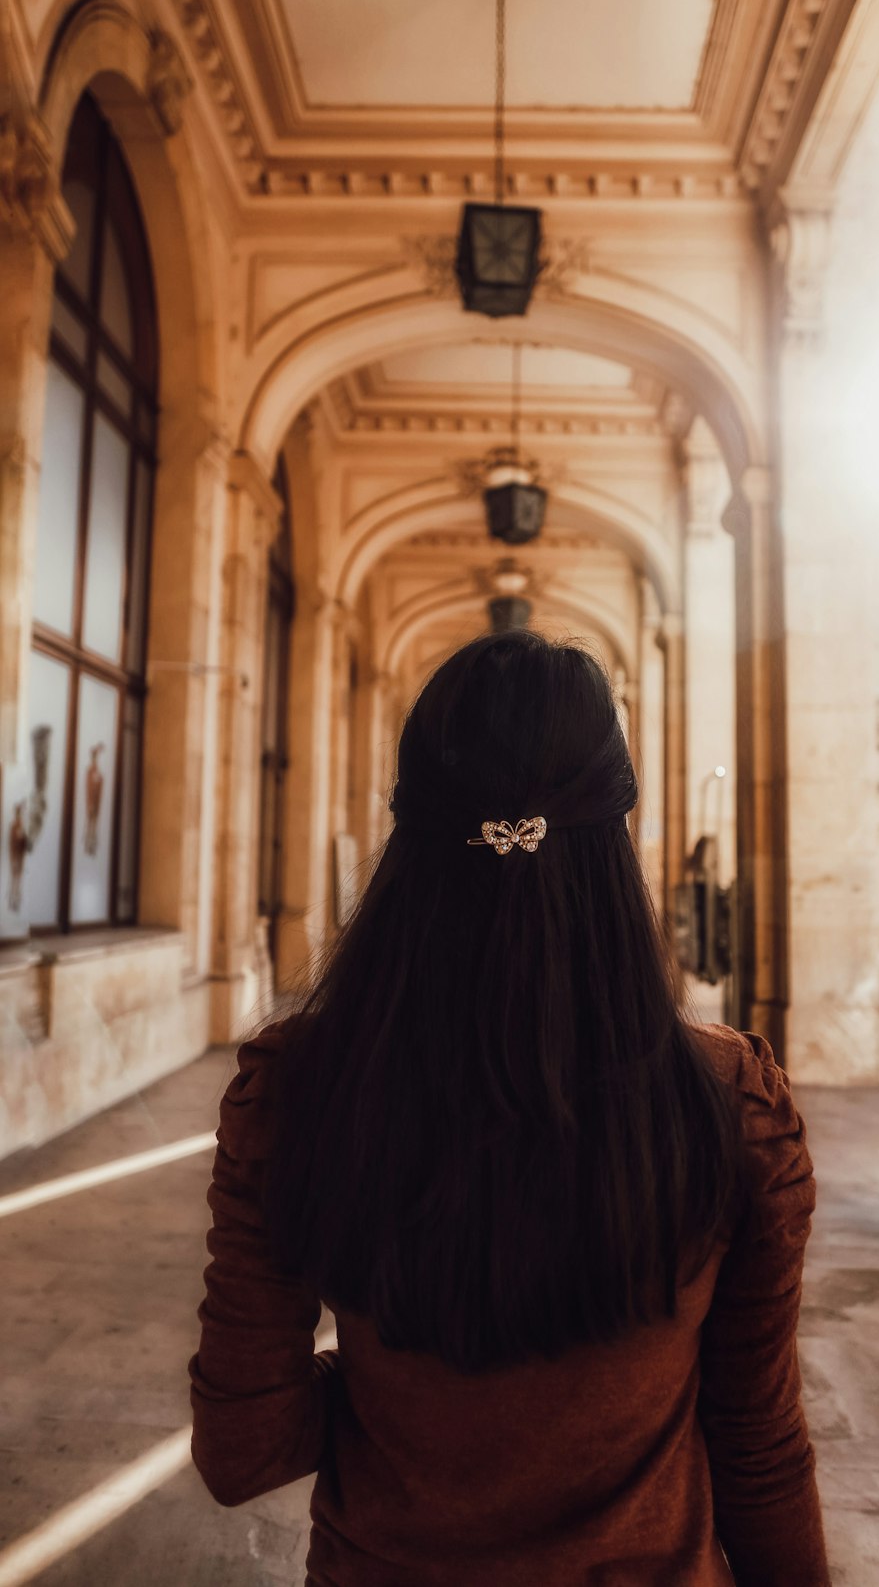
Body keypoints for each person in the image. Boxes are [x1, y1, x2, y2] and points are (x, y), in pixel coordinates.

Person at [190, 630, 830, 1586]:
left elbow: (244, 1447)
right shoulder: (733, 1106)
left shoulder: (297, 1090)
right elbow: (760, 1443)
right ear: (618, 834)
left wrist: (399, 1389)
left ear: (406, 831)